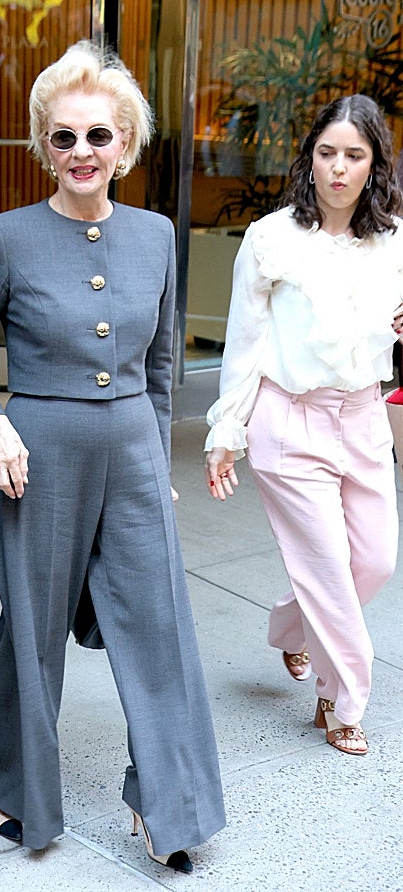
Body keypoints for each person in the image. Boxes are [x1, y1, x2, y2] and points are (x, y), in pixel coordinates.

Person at [0, 41, 225, 873]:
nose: (81, 153)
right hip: (42, 459)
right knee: (31, 630)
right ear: (45, 145)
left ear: (124, 143)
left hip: (133, 456)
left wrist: (161, 470)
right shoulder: (8, 238)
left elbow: (161, 370)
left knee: (160, 627)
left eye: (98, 135)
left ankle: (167, 805)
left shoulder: (157, 236)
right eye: (63, 137)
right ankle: (10, 784)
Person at [205, 94, 403, 756]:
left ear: (374, 165)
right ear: (309, 159)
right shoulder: (270, 239)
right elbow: (244, 346)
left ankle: (292, 629)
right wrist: (225, 435)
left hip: (364, 419)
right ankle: (341, 701)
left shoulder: (396, 242)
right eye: (327, 153)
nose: (339, 168)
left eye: (354, 155)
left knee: (373, 561)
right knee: (329, 573)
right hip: (289, 423)